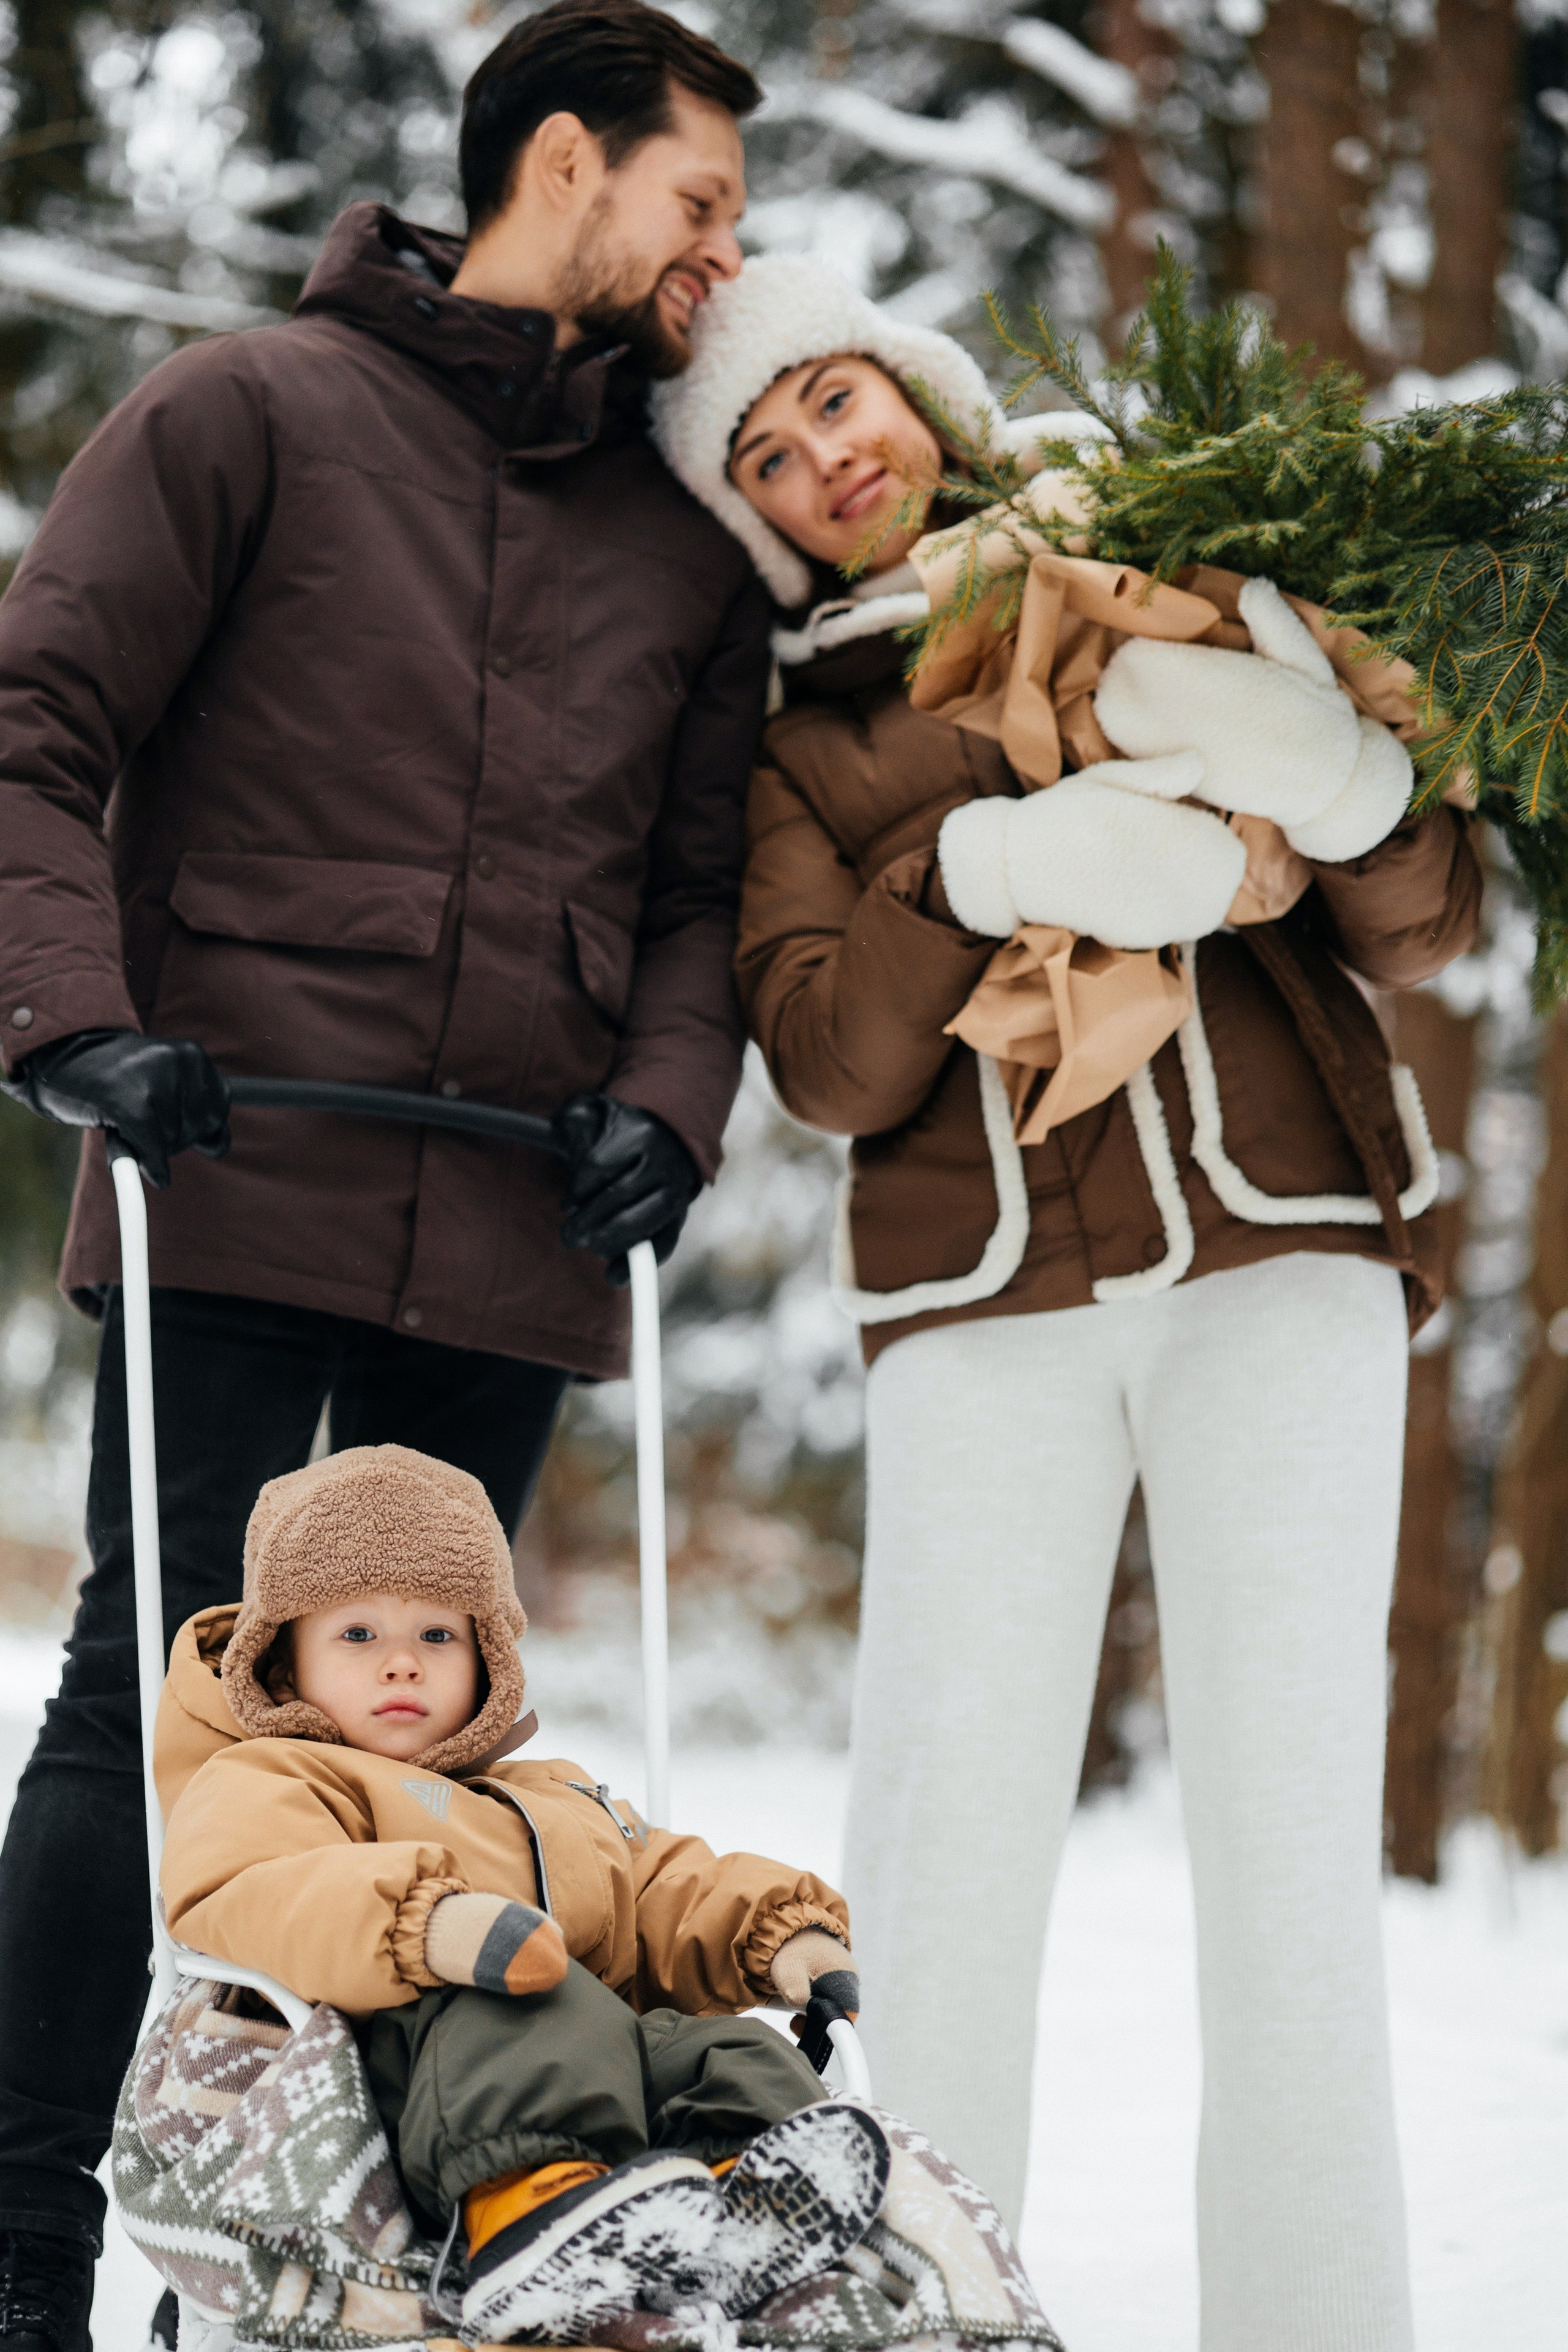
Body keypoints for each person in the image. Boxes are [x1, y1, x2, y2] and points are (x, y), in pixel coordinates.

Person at [0, 4, 774, 2339]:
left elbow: (702, 892)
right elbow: (35, 721)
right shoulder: (250, 412)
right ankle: (25, 2252)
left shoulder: (686, 541)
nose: (727, 258)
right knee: (159, 1710)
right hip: (235, 1160)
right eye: (702, 202)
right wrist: (77, 1026)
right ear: (568, 162)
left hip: (519, 1200)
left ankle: (377, 2257)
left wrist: (669, 1104)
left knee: (430, 1755)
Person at [648, 253, 1483, 2351]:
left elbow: (1429, 920)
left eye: (836, 401)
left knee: (1293, 1871)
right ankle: (927, 2315)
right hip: (981, 1304)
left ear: (916, 392)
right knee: (942, 1857)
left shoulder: (1181, 558)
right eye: (768, 457)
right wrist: (978, 874)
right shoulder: (791, 748)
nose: (824, 461)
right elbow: (829, 1058)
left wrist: (1338, 779)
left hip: (1284, 1260)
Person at [153, 1443, 883, 2343]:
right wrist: (424, 1924)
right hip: (398, 2062)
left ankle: (748, 2205)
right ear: (285, 1661)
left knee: (729, 2052)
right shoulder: (274, 1775)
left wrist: (777, 1932)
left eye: (437, 1636)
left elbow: (655, 1884)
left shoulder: (545, 1796)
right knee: (534, 2002)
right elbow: (255, 1886)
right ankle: (533, 2214)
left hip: (596, 2062)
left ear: (487, 1658)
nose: (401, 1664)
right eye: (358, 1635)